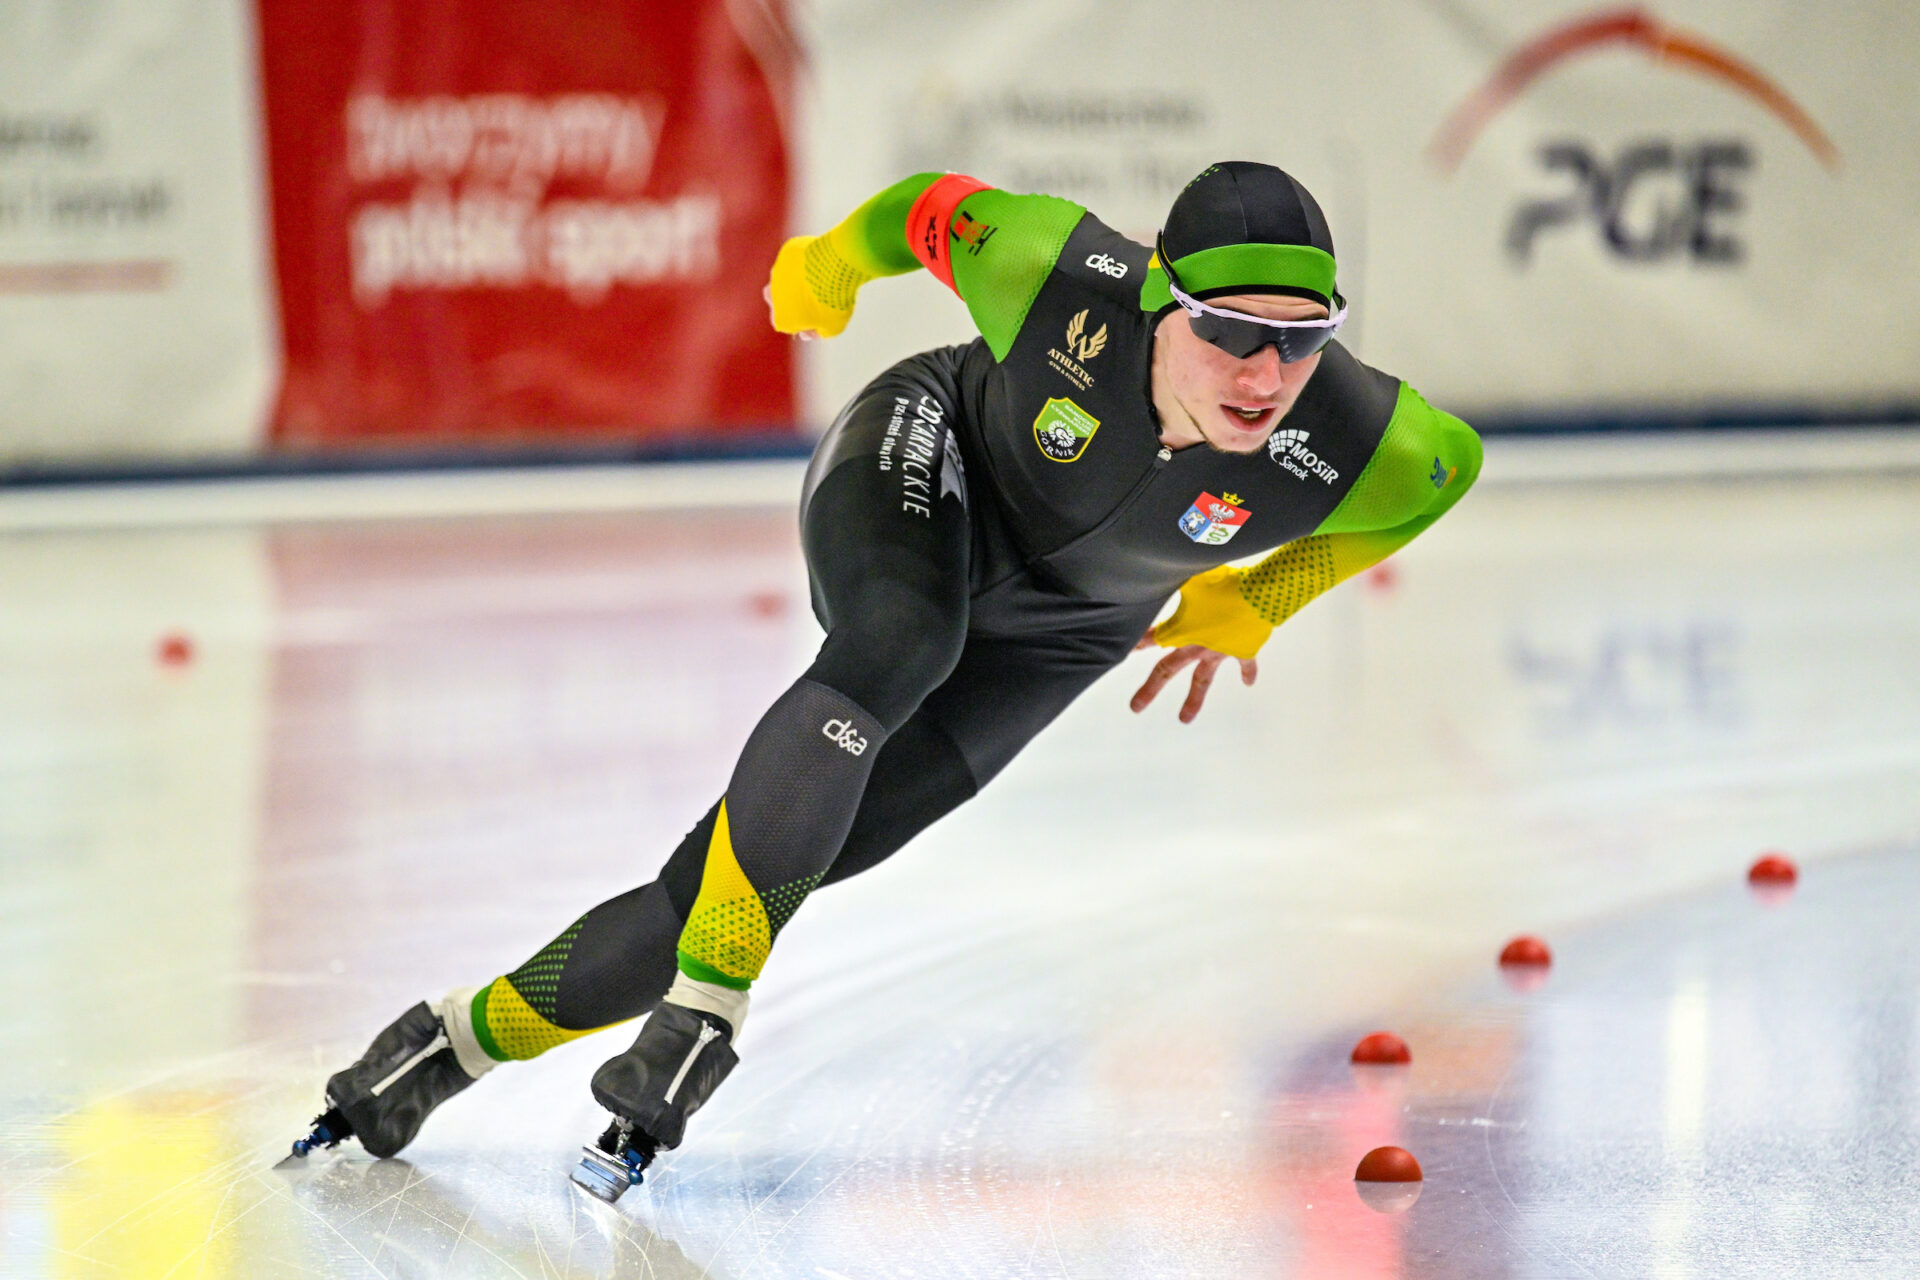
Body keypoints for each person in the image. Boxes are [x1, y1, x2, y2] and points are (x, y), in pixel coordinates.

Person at [291, 162, 1483, 1193]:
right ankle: (707, 1013)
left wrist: (1262, 600)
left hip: (1065, 631)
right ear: (1161, 296)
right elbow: (927, 207)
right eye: (1229, 330)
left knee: (766, 871)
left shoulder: (1362, 433)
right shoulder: (1054, 270)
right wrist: (828, 263)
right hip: (928, 455)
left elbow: (1451, 471)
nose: (1266, 373)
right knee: (900, 640)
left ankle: (444, 1046)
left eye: (1302, 337)